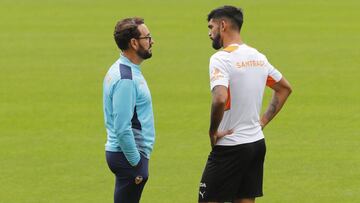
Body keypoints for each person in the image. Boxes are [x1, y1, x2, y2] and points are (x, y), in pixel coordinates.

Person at [198, 6, 292, 203]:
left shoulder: (221, 59)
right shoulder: (258, 57)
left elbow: (220, 98)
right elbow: (284, 89)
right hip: (256, 143)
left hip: (230, 146)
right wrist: (263, 121)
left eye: (211, 27)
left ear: (223, 25)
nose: (209, 33)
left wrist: (212, 131)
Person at [103, 17, 155, 203]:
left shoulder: (122, 69)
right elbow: (122, 126)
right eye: (147, 37)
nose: (152, 41)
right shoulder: (126, 79)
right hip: (128, 155)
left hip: (124, 153)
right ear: (134, 43)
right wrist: (136, 162)